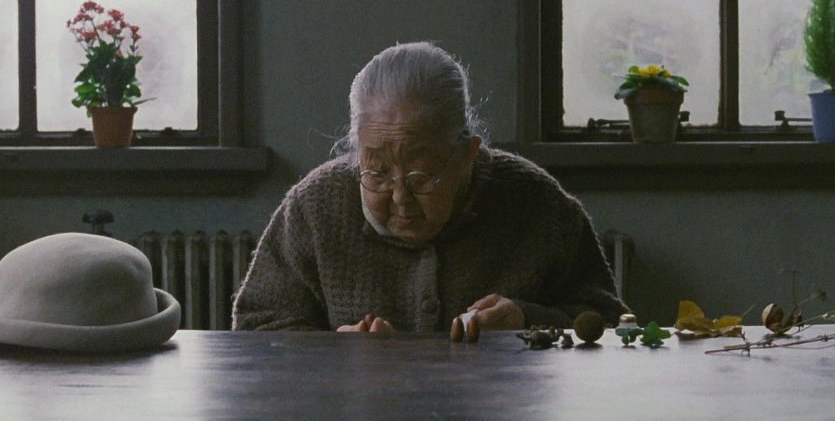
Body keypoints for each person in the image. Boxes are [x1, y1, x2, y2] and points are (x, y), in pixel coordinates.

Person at [232, 41, 628, 333]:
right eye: (377, 174)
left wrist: (527, 319)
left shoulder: (537, 203)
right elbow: (256, 329)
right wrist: (336, 353)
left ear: (467, 155)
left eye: (420, 178)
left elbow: (610, 324)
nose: (400, 198)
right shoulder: (314, 207)